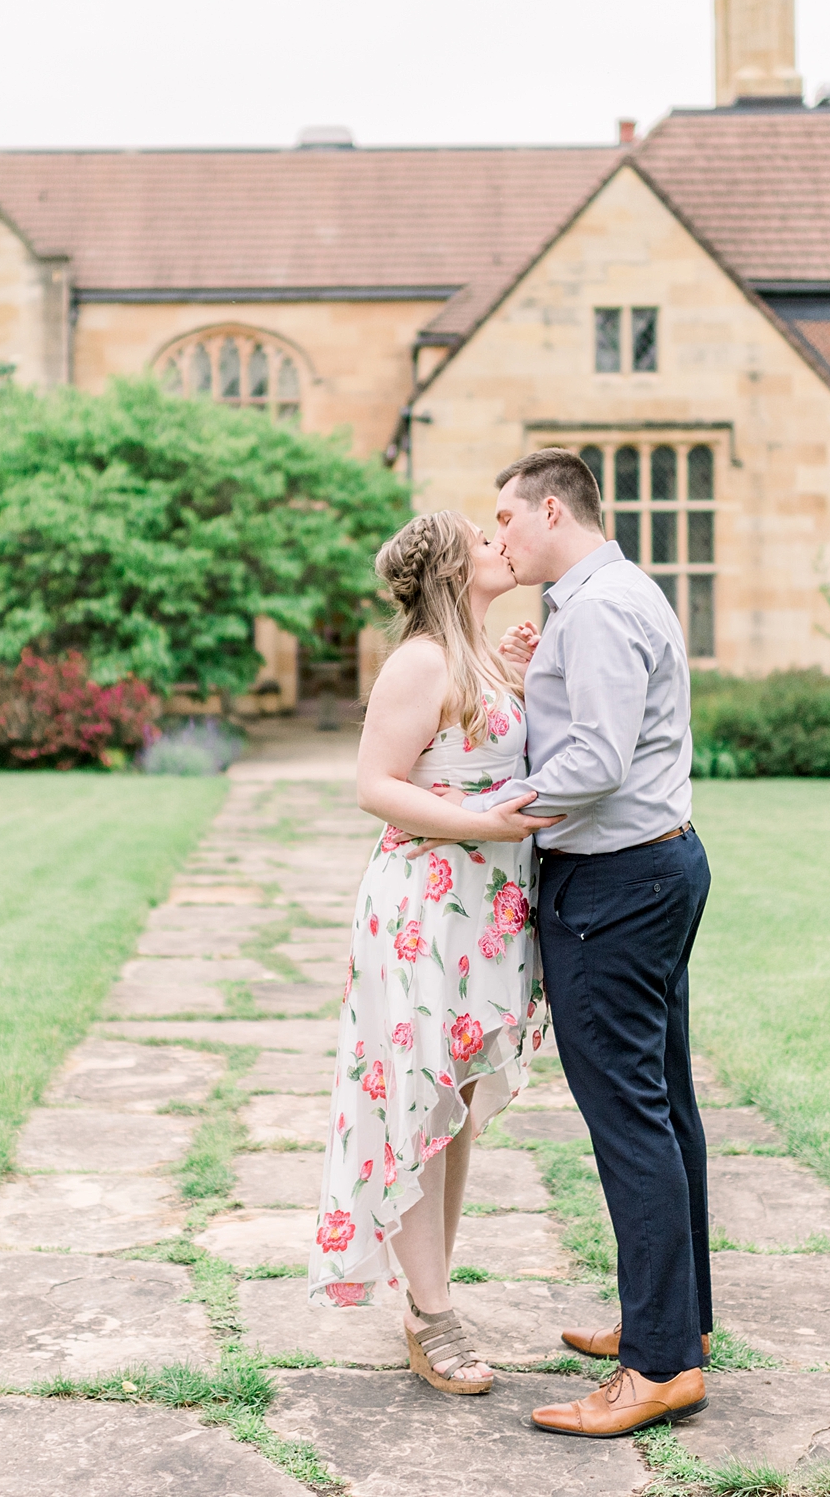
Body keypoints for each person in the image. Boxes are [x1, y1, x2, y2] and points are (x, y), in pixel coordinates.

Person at [479, 447, 715, 1438]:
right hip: (645, 870)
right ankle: (673, 1322)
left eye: (503, 519)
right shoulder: (599, 600)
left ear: (549, 509)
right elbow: (592, 729)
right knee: (660, 1105)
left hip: (618, 885)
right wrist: (538, 682)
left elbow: (600, 763)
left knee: (629, 1118)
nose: (496, 538)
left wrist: (486, 809)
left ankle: (658, 1366)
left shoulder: (606, 606)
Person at [307, 510, 558, 1396]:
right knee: (414, 1108)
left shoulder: (481, 659)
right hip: (422, 911)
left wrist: (520, 680)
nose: (502, 546)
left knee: (445, 1115)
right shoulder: (418, 660)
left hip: (478, 916)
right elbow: (376, 786)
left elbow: (478, 750)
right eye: (483, 543)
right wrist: (486, 823)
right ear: (454, 572)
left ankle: (427, 1299)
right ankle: (433, 1312)